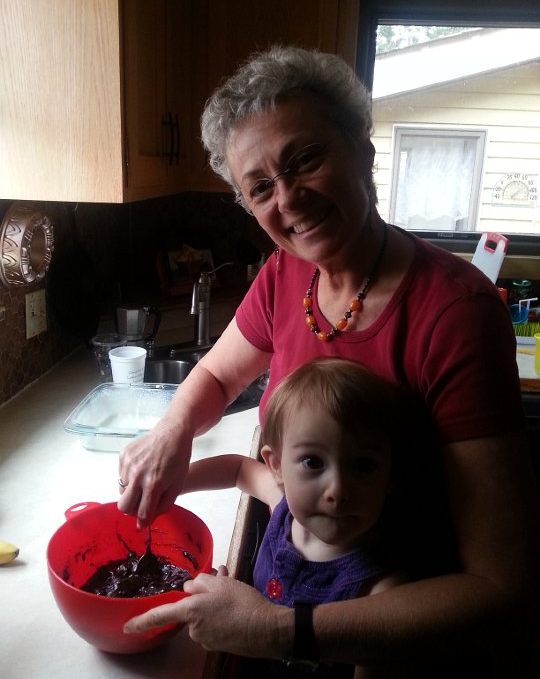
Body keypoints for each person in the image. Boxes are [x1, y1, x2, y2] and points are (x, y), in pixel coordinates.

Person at [118, 46, 539, 676]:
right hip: (296, 593)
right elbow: (217, 374)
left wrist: (276, 631)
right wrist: (171, 432)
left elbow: (502, 589)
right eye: (261, 187)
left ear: (362, 151)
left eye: (306, 159)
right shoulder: (287, 272)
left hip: (399, 646)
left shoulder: (456, 313)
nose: (288, 198)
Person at [166, 358, 410, 677]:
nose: (337, 490)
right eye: (313, 462)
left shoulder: (382, 593)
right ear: (277, 466)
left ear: (390, 474)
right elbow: (238, 469)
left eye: (363, 466)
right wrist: (171, 486)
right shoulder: (283, 506)